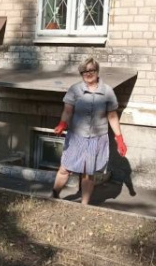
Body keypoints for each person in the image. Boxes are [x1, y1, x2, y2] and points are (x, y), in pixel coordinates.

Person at [51, 57, 127, 205]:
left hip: (97, 138)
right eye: (84, 71)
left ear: (97, 71)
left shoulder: (107, 91)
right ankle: (54, 195)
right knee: (65, 169)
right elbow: (67, 110)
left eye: (91, 70)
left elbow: (112, 115)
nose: (88, 73)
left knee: (88, 173)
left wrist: (119, 139)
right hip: (76, 136)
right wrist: (62, 123)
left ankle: (84, 205)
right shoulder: (75, 89)